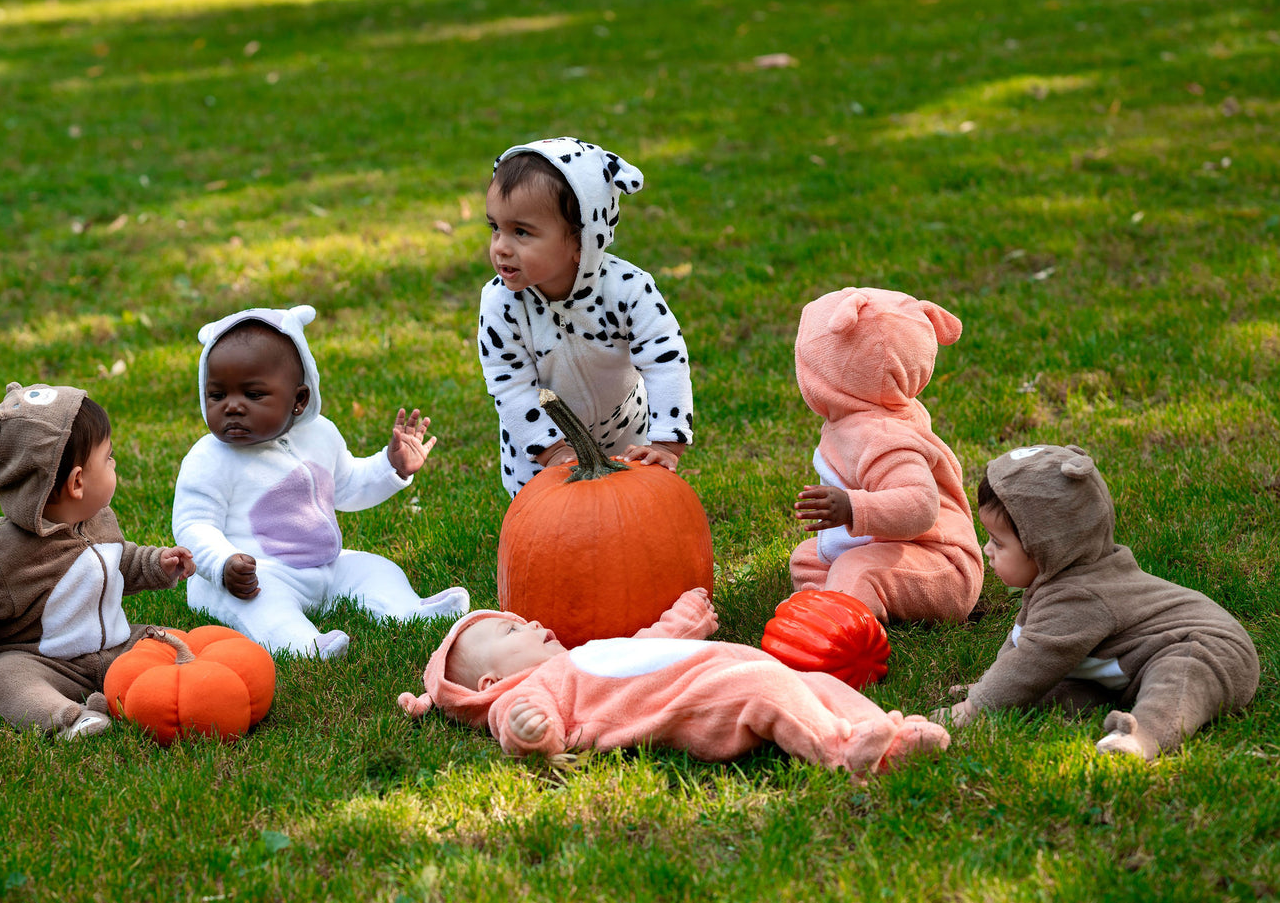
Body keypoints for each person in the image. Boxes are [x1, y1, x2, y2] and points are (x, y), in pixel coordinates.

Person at [172, 305, 469, 659]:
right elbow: (194, 524)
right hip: (252, 576)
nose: (232, 407)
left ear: (299, 400)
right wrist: (223, 564)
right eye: (217, 395)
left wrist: (391, 466)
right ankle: (304, 645)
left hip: (324, 564)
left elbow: (348, 485)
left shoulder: (320, 434)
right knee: (263, 606)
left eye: (253, 395)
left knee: (376, 567)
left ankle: (407, 611)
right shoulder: (210, 458)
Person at [932, 444, 1259, 759]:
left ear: (1045, 546)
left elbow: (1031, 660)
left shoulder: (1081, 595)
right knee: (1058, 690)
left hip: (1209, 648)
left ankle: (1143, 737)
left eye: (998, 543)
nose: (988, 550)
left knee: (1177, 677)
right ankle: (1024, 697)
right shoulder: (1059, 581)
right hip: (1135, 663)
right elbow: (1023, 642)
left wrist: (976, 707)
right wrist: (989, 686)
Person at [398, 590, 950, 773]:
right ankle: (840, 749)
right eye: (511, 630)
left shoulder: (584, 654)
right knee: (764, 690)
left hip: (712, 665)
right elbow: (524, 729)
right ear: (493, 677)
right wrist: (527, 731)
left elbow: (645, 647)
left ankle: (886, 736)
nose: (534, 623)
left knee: (814, 684)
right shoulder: (523, 691)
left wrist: (683, 623)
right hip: (694, 699)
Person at [0, 383, 196, 739]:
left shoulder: (100, 520)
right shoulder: (1, 554)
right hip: (43, 662)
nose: (115, 463)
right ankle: (69, 718)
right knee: (4, 676)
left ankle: (161, 693)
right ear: (77, 483)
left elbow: (119, 562)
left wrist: (157, 563)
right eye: (109, 458)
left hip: (116, 647)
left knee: (171, 644)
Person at [477, 136, 695, 497]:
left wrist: (666, 442)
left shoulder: (629, 290)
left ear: (583, 240)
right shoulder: (500, 304)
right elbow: (509, 384)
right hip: (537, 443)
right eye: (495, 228)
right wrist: (550, 450)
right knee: (549, 527)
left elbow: (666, 360)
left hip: (625, 429)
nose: (500, 246)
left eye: (521, 232)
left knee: (631, 510)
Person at [788, 286, 982, 623]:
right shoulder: (858, 418)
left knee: (856, 569)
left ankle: (840, 634)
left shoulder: (885, 438)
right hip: (889, 543)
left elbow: (920, 506)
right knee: (808, 558)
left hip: (940, 562)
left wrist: (853, 507)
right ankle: (822, 609)